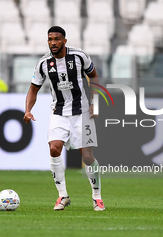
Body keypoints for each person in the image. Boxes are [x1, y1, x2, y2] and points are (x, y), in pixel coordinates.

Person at [23, 26, 105, 211]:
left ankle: (97, 197)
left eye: (57, 39)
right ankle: (63, 196)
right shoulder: (43, 64)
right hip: (58, 112)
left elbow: (94, 77)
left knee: (87, 156)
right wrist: (28, 109)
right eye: (50, 39)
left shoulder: (79, 56)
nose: (53, 43)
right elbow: (33, 89)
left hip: (82, 112)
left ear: (64, 41)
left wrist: (96, 102)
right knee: (54, 149)